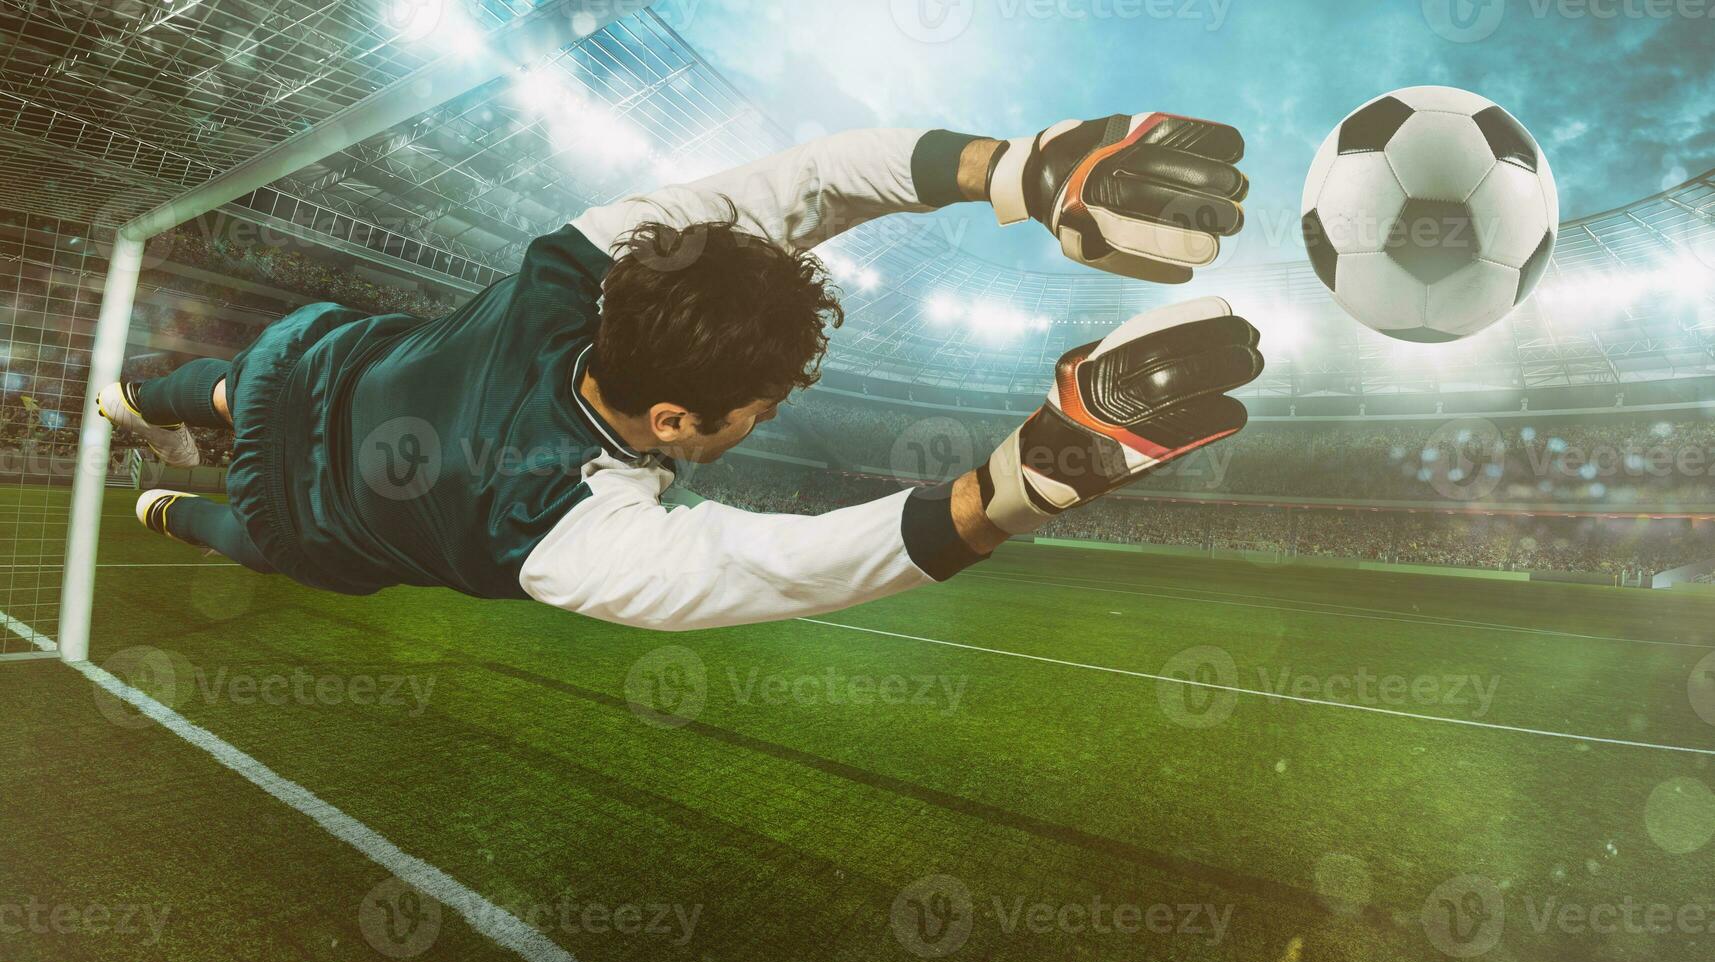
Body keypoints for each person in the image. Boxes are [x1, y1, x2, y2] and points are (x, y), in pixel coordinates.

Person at [97, 114, 1261, 631]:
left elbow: (809, 178)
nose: (765, 419)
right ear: (672, 416)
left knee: (240, 380)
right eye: (756, 410)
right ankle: (163, 505)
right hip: (306, 516)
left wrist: (1019, 167)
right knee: (250, 532)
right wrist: (1019, 485)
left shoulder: (589, 256)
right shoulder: (558, 529)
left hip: (311, 368)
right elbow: (782, 565)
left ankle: (133, 398)